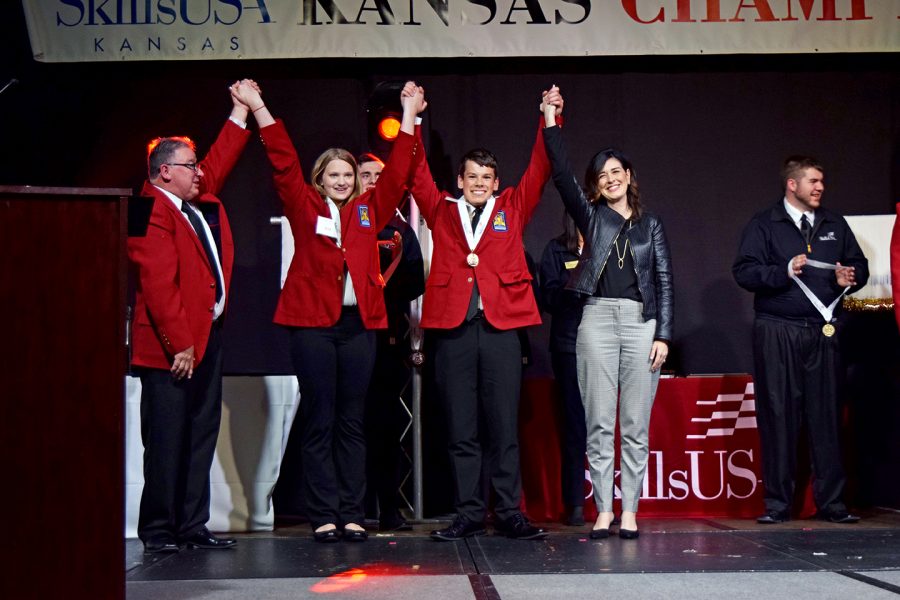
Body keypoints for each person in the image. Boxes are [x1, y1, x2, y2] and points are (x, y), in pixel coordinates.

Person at [233, 79, 425, 542]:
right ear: (320, 178)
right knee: (320, 418)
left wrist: (409, 116)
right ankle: (323, 513)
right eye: (334, 174)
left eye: (348, 174)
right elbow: (281, 161)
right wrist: (259, 106)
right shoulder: (303, 206)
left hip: (359, 327)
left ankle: (353, 512)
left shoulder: (368, 211)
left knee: (352, 421)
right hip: (313, 329)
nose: (342, 180)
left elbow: (399, 172)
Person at [410, 87, 564, 542]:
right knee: (461, 428)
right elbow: (415, 171)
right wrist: (412, 118)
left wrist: (549, 116)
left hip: (501, 328)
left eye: (487, 177)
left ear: (497, 182)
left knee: (503, 427)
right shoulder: (441, 209)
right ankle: (469, 513)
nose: (479, 183)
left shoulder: (511, 208)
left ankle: (510, 513)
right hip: (454, 330)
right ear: (460, 180)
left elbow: (540, 167)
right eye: (472, 176)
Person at [542, 87, 674, 540]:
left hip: (641, 324)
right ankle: (602, 509)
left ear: (629, 175)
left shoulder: (650, 223)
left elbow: (664, 281)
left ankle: (630, 510)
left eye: (616, 171)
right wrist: (551, 119)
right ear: (595, 185)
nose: (610, 178)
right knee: (599, 422)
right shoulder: (591, 218)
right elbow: (559, 173)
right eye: (602, 175)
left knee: (634, 424)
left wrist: (664, 335)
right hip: (595, 321)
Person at [128, 82, 251, 553]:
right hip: (170, 346)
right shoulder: (149, 209)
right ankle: (159, 531)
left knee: (200, 433)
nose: (199, 171)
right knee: (166, 440)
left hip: (206, 337)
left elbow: (218, 162)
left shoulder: (191, 202)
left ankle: (190, 525)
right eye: (189, 165)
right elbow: (159, 284)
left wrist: (239, 113)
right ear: (164, 172)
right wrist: (180, 343)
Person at [733, 156, 868, 524]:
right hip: (778, 329)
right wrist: (783, 270)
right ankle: (777, 505)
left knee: (826, 416)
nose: (820, 187)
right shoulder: (765, 223)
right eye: (813, 181)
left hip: (823, 332)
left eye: (822, 181)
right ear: (792, 184)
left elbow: (859, 266)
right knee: (778, 416)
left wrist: (851, 277)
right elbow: (744, 271)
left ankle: (833, 504)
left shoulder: (834, 223)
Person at [359, 152, 425, 532]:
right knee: (349, 424)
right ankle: (350, 508)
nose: (371, 181)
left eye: (377, 175)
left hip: (387, 339)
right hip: (347, 336)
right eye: (364, 175)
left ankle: (388, 508)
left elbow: (416, 282)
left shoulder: (401, 231)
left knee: (386, 425)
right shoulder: (345, 223)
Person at [538, 212, 587, 526]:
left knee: (604, 426)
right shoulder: (556, 249)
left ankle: (610, 504)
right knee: (574, 426)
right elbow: (550, 300)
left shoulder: (614, 245)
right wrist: (583, 269)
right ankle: (575, 504)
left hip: (607, 345)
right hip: (569, 346)